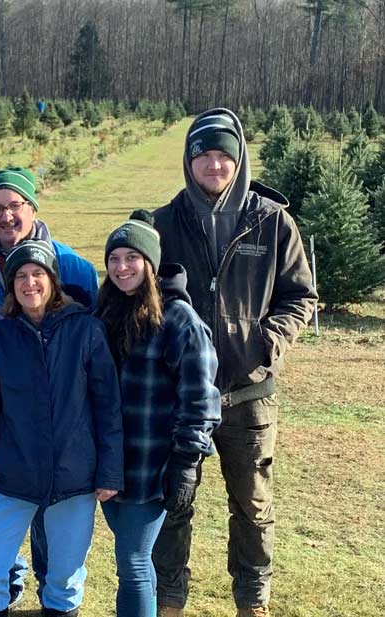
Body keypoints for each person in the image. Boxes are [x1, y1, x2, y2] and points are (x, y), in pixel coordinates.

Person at [151, 109, 318, 617]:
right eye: (205, 155)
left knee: (252, 506)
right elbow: (141, 299)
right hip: (181, 397)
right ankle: (170, 597)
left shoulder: (271, 222)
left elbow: (301, 296)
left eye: (224, 155)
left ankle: (252, 599)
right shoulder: (163, 223)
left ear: (239, 158)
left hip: (248, 396)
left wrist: (266, 342)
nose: (215, 165)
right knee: (174, 502)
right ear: (189, 160)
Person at [0, 166, 100, 606]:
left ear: (32, 208)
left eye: (15, 205)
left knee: (55, 522)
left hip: (59, 421)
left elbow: (86, 339)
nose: (6, 215)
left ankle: (52, 588)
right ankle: (4, 590)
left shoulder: (72, 266)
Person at [0, 239, 123, 617]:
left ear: (52, 280)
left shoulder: (85, 330)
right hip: (12, 475)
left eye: (38, 274)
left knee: (65, 576)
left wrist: (109, 470)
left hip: (74, 477)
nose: (29, 283)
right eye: (20, 276)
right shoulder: (0, 336)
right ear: (10, 285)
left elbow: (108, 407)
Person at [95, 211, 221, 617]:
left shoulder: (179, 320)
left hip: (152, 464)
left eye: (131, 257)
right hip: (109, 461)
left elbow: (200, 398)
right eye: (114, 258)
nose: (121, 267)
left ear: (150, 263)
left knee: (131, 561)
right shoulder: (106, 314)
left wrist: (185, 462)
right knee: (136, 559)